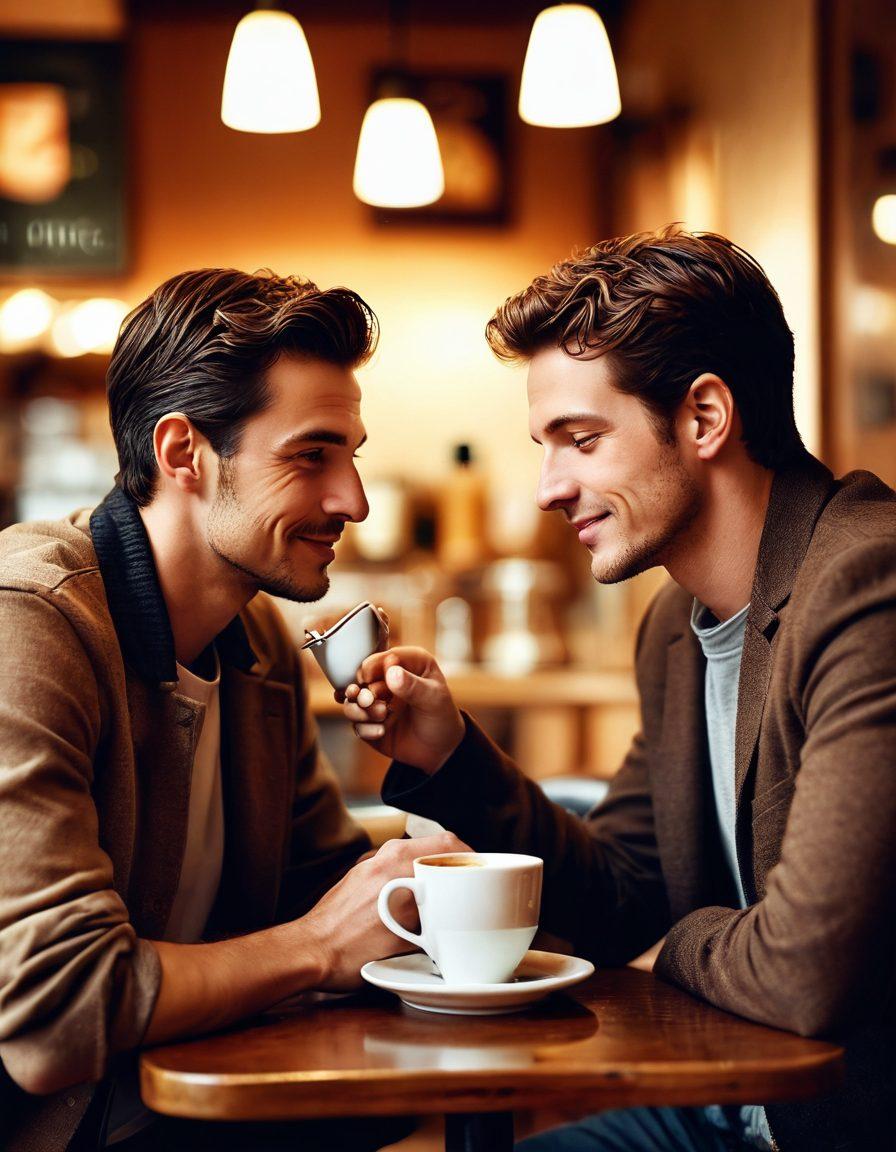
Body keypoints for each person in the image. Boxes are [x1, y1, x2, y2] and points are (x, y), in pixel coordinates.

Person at [343, 228, 896, 1152]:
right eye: (545, 445)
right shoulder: (673, 631)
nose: (549, 490)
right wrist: (448, 751)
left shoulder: (865, 587)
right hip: (723, 1110)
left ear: (705, 417)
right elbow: (616, 895)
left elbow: (805, 973)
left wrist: (675, 945)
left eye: (581, 440)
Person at [0, 267, 465, 1152]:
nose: (354, 502)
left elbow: (319, 891)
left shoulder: (254, 646)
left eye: (352, 455)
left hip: (200, 1111)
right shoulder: (29, 623)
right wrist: (321, 946)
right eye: (310, 455)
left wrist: (440, 829)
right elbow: (53, 1012)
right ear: (183, 453)